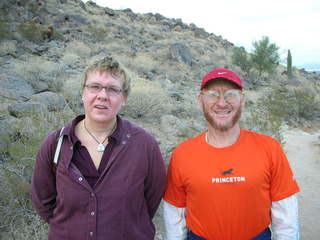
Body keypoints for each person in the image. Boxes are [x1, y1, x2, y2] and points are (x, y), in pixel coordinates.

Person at [31, 56, 166, 240]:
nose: (102, 95)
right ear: (83, 93)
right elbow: (43, 202)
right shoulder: (56, 144)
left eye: (112, 89)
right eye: (94, 87)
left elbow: (151, 200)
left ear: (124, 98)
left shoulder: (144, 144)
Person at [163, 68, 300, 240]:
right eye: (213, 94)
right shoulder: (182, 154)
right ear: (201, 100)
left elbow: (285, 212)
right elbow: (174, 213)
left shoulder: (270, 148)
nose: (222, 103)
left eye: (230, 94)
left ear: (242, 100)